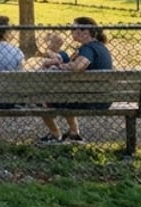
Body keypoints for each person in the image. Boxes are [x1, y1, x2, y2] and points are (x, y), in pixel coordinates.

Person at [39, 16, 113, 144]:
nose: (71, 31)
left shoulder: (88, 48)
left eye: (74, 28)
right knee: (66, 93)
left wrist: (62, 66)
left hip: (88, 100)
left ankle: (55, 135)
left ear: (85, 33)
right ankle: (74, 133)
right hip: (102, 98)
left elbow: (79, 66)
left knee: (43, 100)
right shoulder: (99, 47)